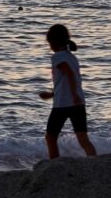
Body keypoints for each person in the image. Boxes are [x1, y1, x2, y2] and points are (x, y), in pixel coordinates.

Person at [38, 24, 97, 159]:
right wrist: (52, 94)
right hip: (78, 103)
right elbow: (65, 80)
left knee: (51, 137)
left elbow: (69, 73)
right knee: (83, 139)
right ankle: (94, 162)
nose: (49, 46)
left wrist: (73, 94)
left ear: (53, 42)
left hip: (63, 104)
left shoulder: (57, 57)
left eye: (49, 43)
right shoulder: (72, 57)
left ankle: (54, 164)